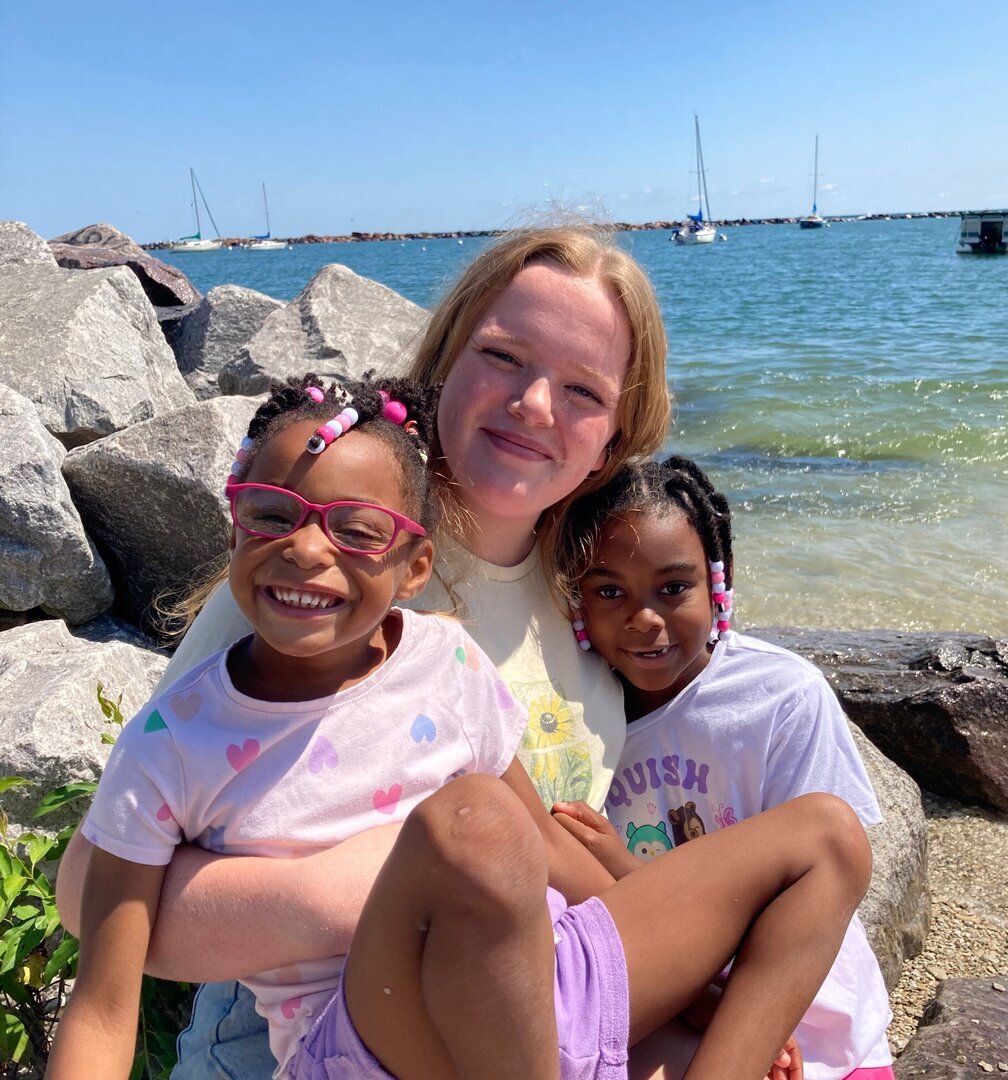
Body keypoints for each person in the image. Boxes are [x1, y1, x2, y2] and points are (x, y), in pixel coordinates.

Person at [52, 224, 842, 1077]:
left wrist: (694, 990)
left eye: (582, 389)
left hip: (532, 1011)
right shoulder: (321, 587)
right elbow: (84, 895)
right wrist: (355, 888)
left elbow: (557, 848)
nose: (535, 404)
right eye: (503, 356)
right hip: (300, 1039)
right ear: (443, 366)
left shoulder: (590, 590)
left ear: (614, 439)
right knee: (475, 831)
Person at [548, 455, 895, 1080]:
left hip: (811, 1017)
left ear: (718, 578)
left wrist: (628, 873)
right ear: (576, 598)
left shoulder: (780, 697)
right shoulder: (572, 719)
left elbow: (823, 887)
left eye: (673, 588)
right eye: (609, 592)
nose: (645, 619)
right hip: (670, 1000)